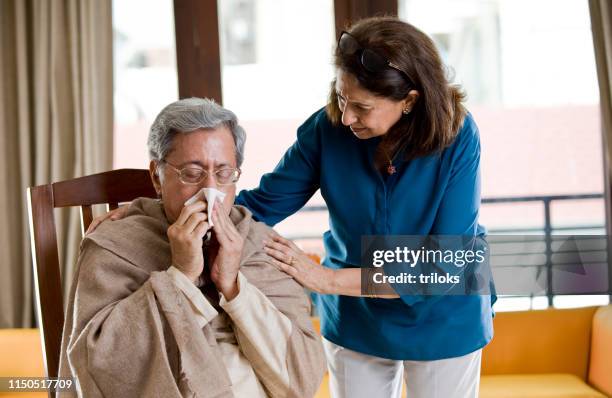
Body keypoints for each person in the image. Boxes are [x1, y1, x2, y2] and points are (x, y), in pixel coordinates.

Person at [92, 16, 494, 398]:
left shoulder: (458, 136)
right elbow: (259, 205)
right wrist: (156, 205)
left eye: (363, 108)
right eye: (341, 96)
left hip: (444, 310)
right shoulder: (328, 128)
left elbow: (446, 264)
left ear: (408, 100)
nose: (347, 115)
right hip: (359, 317)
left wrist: (325, 280)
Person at [58, 98, 325, 398]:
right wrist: (180, 277)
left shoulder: (261, 244)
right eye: (191, 173)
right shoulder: (116, 244)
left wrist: (235, 287)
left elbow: (301, 378)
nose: (209, 192)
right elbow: (97, 365)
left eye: (224, 174)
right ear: (156, 177)